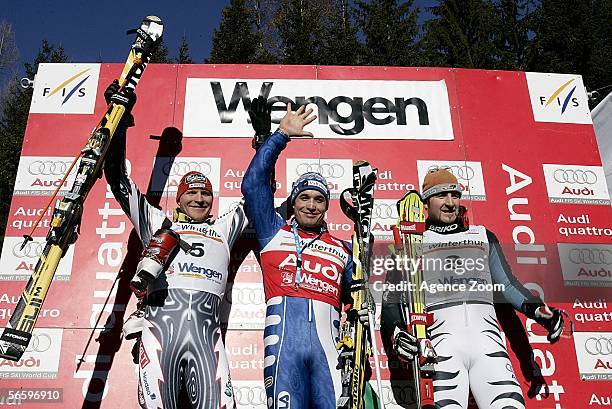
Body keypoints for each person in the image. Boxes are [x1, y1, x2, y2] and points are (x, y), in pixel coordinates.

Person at [103, 81, 248, 409]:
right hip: (158, 340)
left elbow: (254, 194)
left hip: (207, 343)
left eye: (205, 193)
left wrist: (267, 139)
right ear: (179, 198)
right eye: (192, 192)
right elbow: (117, 179)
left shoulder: (224, 228)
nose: (199, 198)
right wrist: (119, 119)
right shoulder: (159, 224)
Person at [381, 168, 565, 409]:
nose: (449, 203)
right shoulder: (412, 240)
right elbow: (391, 301)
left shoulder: (482, 236)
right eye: (441, 196)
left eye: (454, 195)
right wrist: (397, 333)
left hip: (488, 345)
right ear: (426, 203)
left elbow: (507, 286)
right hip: (440, 350)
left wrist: (539, 312)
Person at [241, 99, 376, 409]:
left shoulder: (343, 249)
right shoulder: (273, 232)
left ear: (326, 206)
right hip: (284, 353)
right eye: (304, 198)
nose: (311, 205)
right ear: (293, 202)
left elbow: (357, 305)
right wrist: (279, 136)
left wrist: (364, 309)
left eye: (318, 199)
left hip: (328, 356)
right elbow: (252, 186)